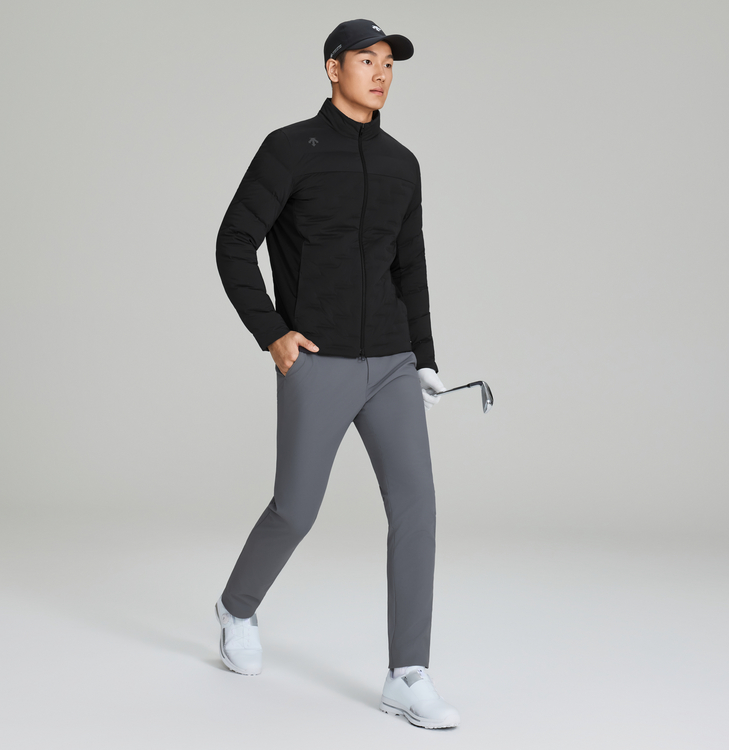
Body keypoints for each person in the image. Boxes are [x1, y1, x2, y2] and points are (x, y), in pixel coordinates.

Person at [214, 19, 460, 729]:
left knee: (417, 508)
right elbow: (234, 241)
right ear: (332, 68)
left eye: (389, 64)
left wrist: (425, 357)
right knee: (295, 509)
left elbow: (410, 266)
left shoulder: (402, 163)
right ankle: (235, 609)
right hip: (317, 359)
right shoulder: (290, 148)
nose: (380, 74)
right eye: (366, 60)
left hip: (391, 362)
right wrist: (272, 333)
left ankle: (407, 674)